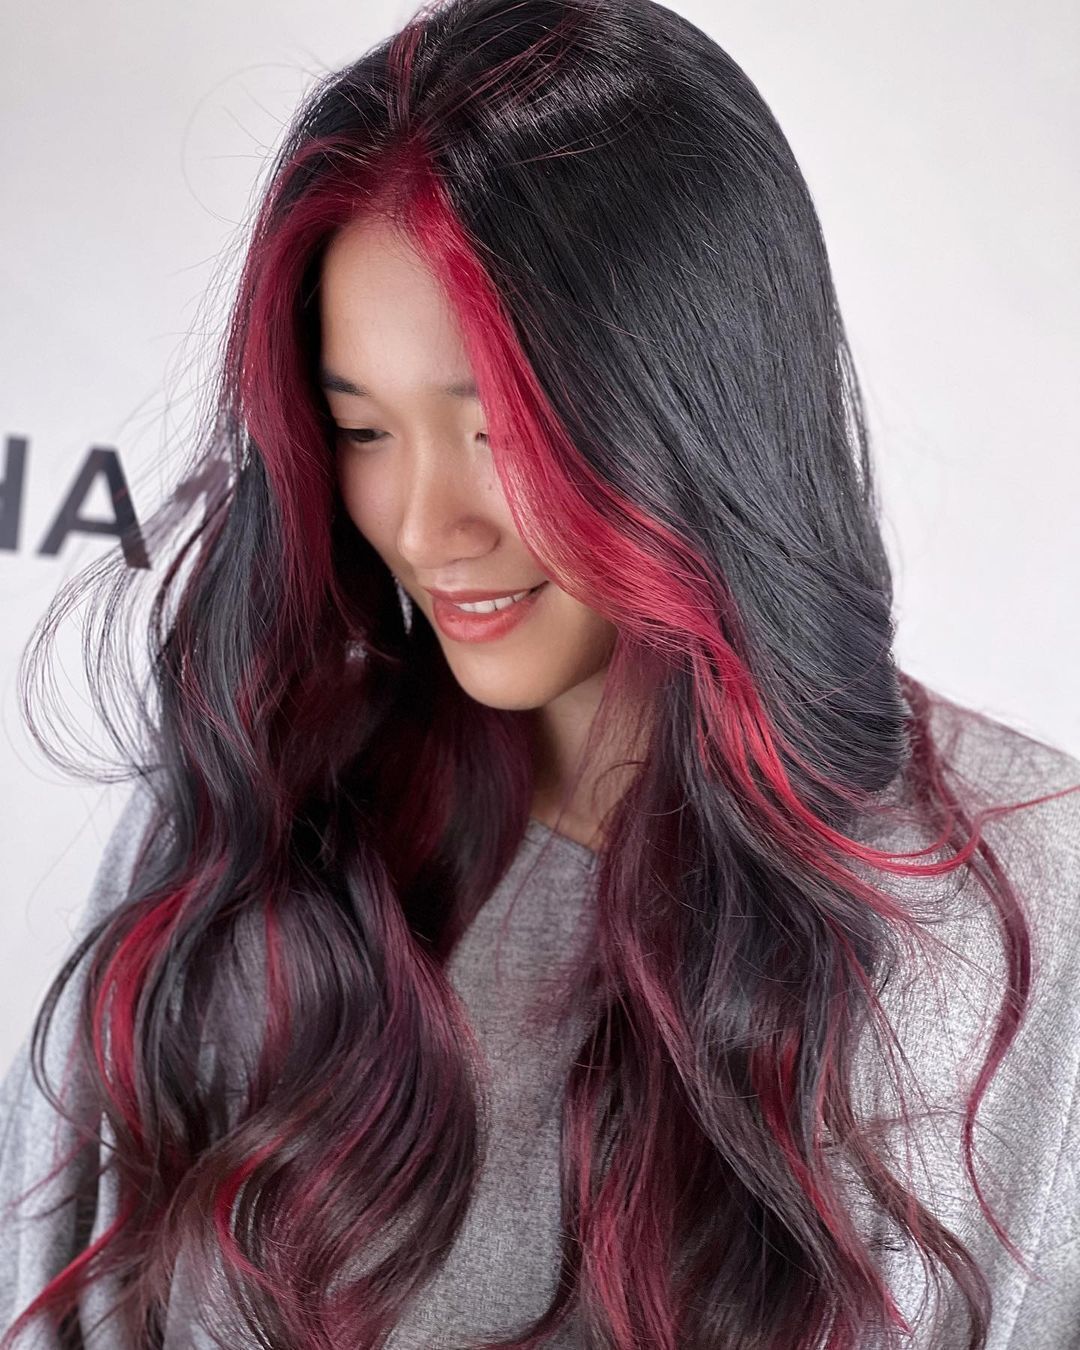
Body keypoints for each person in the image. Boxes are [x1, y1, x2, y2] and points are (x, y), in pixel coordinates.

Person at [2, 0, 1079, 1346]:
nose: (421, 523)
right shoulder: (257, 807)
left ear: (699, 403)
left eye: (498, 428)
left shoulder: (1031, 899)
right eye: (360, 427)